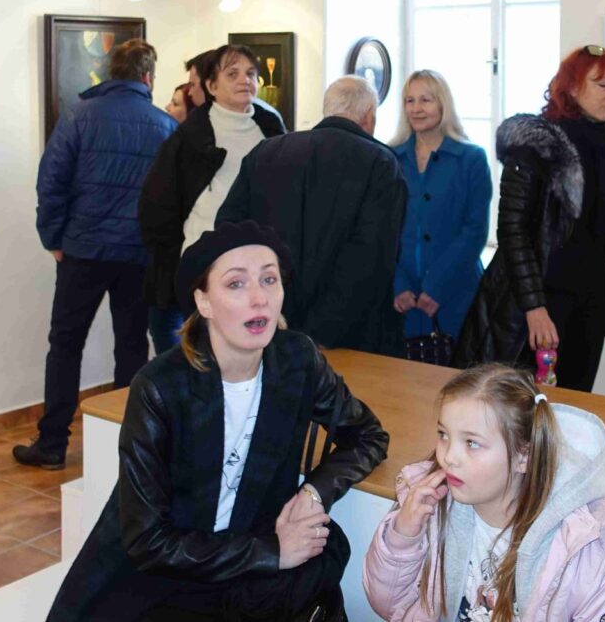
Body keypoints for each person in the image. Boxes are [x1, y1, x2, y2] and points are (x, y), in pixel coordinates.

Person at [47, 221, 390, 621]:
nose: (259, 298)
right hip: (167, 572)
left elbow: (367, 435)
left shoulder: (298, 360)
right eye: (236, 284)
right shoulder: (160, 387)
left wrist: (312, 494)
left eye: (269, 279)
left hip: (249, 562)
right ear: (204, 302)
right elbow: (148, 542)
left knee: (323, 563)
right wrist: (273, 551)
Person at [362, 363, 605, 621]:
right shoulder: (430, 508)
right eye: (443, 435)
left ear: (524, 456)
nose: (449, 457)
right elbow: (388, 606)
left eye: (471, 443)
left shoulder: (587, 547)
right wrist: (403, 536)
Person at [16, 39, 177, 469]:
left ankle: (52, 443)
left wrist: (53, 238)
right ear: (148, 77)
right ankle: (128, 447)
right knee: (131, 348)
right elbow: (174, 199)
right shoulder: (165, 126)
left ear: (111, 72)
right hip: (138, 255)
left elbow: (51, 181)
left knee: (65, 345)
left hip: (82, 250)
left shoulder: (79, 116)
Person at [454, 46, 605, 393]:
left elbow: (604, 229)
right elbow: (513, 230)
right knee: (523, 404)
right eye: (602, 85)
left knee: (577, 401)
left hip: (590, 300)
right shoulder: (537, 145)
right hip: (539, 298)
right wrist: (534, 306)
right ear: (573, 87)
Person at [216, 76, 407, 356]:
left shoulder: (265, 152)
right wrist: (321, 332)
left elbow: (229, 230)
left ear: (327, 110)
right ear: (369, 116)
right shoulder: (381, 163)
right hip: (348, 338)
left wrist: (263, 304)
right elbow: (371, 258)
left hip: (270, 324)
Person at [139, 44, 285, 355]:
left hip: (256, 263)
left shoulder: (272, 129)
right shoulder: (190, 136)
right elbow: (157, 205)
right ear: (212, 86)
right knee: (204, 352)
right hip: (202, 262)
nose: (244, 80)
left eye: (250, 73)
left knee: (251, 352)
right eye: (232, 74)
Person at [391, 70, 491, 344]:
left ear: (443, 104)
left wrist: (437, 286)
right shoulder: (390, 158)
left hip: (456, 294)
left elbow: (475, 231)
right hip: (403, 300)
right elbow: (379, 229)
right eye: (410, 101)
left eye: (426, 100)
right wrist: (398, 284)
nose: (416, 108)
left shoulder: (472, 159)